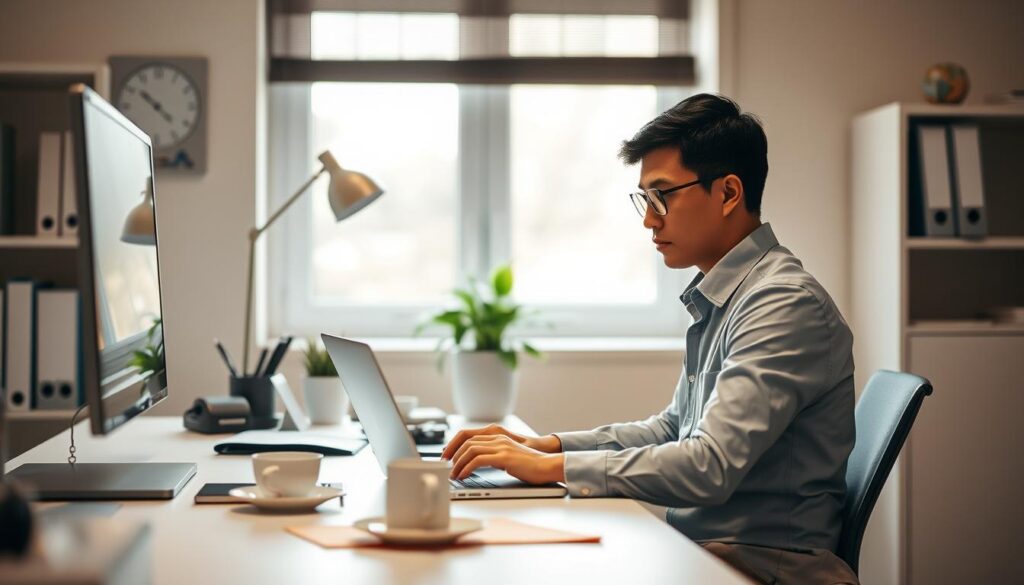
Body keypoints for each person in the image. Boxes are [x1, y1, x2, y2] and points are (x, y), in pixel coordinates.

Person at [441, 94, 859, 585]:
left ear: (727, 193)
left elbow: (708, 465)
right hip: (711, 553)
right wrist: (544, 446)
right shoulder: (729, 297)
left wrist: (553, 467)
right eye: (644, 199)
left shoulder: (783, 304)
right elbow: (672, 431)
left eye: (662, 196)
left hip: (764, 568)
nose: (648, 219)